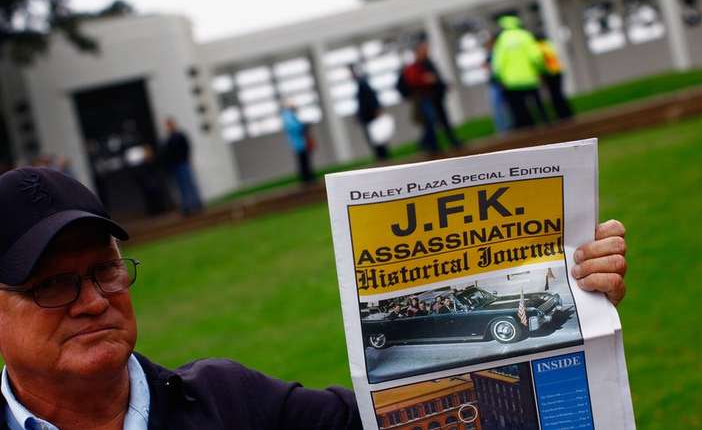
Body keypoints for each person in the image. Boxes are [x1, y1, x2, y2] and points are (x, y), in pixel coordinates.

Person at [0, 167, 628, 429]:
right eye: (51, 284)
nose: (92, 301)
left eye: (104, 271)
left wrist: (573, 305)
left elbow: (434, 419)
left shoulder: (234, 403)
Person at [398, 41, 462, 154]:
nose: (427, 51)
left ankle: (447, 143)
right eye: (424, 49)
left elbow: (436, 78)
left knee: (440, 121)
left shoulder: (428, 63)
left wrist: (443, 85)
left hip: (435, 97)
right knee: (430, 122)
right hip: (426, 99)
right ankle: (431, 145)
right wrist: (426, 79)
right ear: (417, 52)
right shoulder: (414, 66)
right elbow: (414, 81)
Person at [492, 16, 550, 129]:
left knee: (519, 106)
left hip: (512, 81)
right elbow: (536, 56)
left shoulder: (502, 40)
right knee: (537, 102)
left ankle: (528, 127)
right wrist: (541, 70)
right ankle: (546, 122)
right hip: (530, 77)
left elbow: (498, 62)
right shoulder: (525, 35)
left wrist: (499, 77)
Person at [160, 118, 203, 215]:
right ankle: (187, 207)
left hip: (183, 164)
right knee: (181, 187)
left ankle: (196, 204)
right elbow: (166, 154)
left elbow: (187, 148)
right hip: (175, 166)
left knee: (189, 184)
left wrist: (186, 159)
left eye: (169, 125)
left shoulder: (180, 136)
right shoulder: (167, 139)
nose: (168, 127)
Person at [350, 65, 389, 161]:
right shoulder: (361, 85)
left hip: (370, 117)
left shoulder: (363, 84)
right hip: (368, 116)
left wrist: (377, 110)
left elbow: (371, 99)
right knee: (376, 139)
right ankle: (382, 158)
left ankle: (383, 158)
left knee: (377, 138)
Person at [536, 33, 575, 120]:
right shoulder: (548, 45)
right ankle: (566, 113)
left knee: (555, 96)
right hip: (557, 71)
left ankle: (562, 115)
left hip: (549, 73)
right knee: (559, 94)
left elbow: (540, 62)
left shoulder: (539, 48)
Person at [281, 104, 314, 183]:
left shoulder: (290, 116)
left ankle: (308, 178)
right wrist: (303, 125)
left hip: (300, 143)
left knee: (305, 161)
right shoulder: (288, 117)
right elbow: (294, 127)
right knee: (303, 162)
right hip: (299, 144)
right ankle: (306, 179)